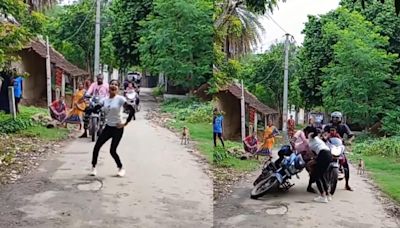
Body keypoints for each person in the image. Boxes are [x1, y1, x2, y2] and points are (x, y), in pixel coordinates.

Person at [90, 79, 135, 177]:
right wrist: (90, 108)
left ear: (118, 88)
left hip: (118, 128)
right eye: (112, 84)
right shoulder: (104, 100)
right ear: (108, 87)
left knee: (112, 150)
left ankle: (121, 167)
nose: (113, 86)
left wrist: (125, 123)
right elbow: (96, 108)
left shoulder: (120, 99)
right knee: (97, 147)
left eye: (116, 85)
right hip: (108, 127)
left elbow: (132, 109)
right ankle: (93, 167)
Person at [323, 111, 355, 191]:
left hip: (339, 147)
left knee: (345, 165)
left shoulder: (344, 126)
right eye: (333, 117)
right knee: (321, 160)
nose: (335, 119)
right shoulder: (328, 126)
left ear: (340, 118)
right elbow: (322, 133)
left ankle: (347, 184)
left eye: (337, 118)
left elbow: (351, 135)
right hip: (329, 146)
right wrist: (323, 138)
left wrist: (349, 141)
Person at [307, 126, 332, 203]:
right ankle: (327, 195)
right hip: (328, 154)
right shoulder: (317, 138)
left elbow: (312, 154)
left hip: (323, 154)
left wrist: (312, 161)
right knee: (322, 175)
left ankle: (322, 196)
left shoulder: (310, 136)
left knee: (316, 175)